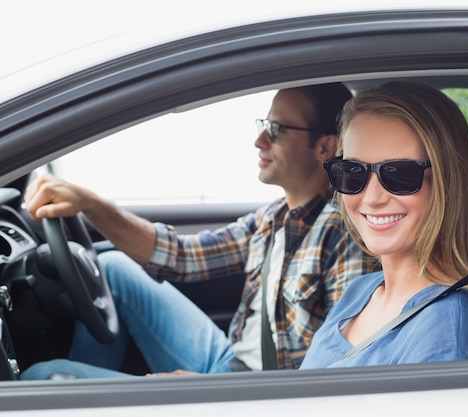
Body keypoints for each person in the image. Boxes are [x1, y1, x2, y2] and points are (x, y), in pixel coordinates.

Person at [20, 83, 375, 380]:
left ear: (326, 147)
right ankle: (83, 390)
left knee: (40, 377)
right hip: (230, 363)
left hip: (259, 394)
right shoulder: (273, 218)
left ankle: (71, 389)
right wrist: (90, 204)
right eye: (262, 125)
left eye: (277, 130)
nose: (259, 141)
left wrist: (211, 393)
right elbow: (182, 256)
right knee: (112, 267)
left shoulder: (344, 235)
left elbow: (336, 376)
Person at [299, 81, 468, 369]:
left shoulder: (448, 331)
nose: (371, 198)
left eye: (399, 174)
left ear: (448, 182)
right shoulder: (361, 291)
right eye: (352, 172)